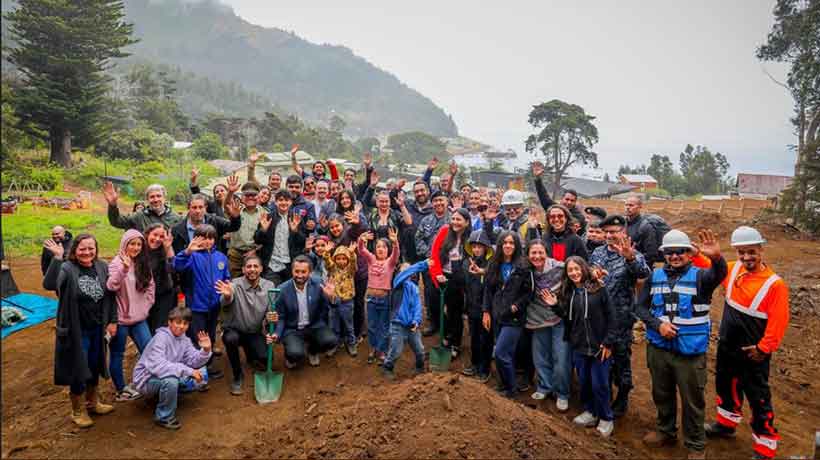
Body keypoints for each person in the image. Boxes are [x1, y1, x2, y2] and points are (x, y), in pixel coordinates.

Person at [636, 229, 727, 459]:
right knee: (662, 394)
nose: (674, 256)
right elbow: (639, 308)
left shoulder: (701, 277)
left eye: (680, 252)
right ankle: (666, 431)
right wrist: (658, 326)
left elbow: (719, 274)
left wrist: (716, 258)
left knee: (692, 401)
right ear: (664, 254)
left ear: (688, 253)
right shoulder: (654, 277)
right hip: (659, 349)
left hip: (690, 353)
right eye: (669, 252)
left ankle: (696, 444)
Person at [703, 226, 789, 460]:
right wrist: (708, 256)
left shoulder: (774, 285)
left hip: (754, 353)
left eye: (751, 252)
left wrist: (764, 349)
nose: (746, 257)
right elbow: (708, 267)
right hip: (728, 346)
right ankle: (726, 423)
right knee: (725, 384)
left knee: (758, 396)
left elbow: (778, 321)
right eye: (741, 252)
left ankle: (765, 446)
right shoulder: (733, 270)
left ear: (761, 249)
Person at [43, 234, 117, 428]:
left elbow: (110, 296)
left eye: (91, 248)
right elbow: (49, 284)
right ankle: (78, 410)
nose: (87, 252)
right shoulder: (68, 268)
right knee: (78, 367)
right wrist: (58, 258)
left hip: (97, 328)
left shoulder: (102, 266)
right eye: (82, 248)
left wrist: (113, 320)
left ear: (96, 249)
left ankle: (93, 403)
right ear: (75, 250)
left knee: (94, 364)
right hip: (76, 330)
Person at [544, 256, 617, 437]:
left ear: (584, 269)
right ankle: (590, 412)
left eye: (577, 269)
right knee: (585, 382)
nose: (574, 273)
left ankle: (606, 417)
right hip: (579, 346)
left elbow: (612, 317)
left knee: (600, 384)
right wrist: (554, 306)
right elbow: (568, 317)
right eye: (570, 271)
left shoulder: (599, 289)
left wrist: (608, 342)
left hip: (600, 346)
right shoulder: (568, 292)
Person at [588, 214, 651, 418]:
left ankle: (622, 397)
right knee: (601, 359)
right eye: (606, 232)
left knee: (621, 361)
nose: (609, 235)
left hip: (622, 319)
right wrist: (592, 275)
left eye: (614, 232)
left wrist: (630, 258)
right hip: (599, 319)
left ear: (623, 232)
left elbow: (643, 274)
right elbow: (588, 277)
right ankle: (604, 398)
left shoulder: (632, 253)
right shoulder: (597, 252)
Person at [131, 306, 212, 430]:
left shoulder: (184, 339)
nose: (181, 326)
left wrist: (205, 350)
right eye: (178, 322)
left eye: (185, 323)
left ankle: (164, 396)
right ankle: (163, 417)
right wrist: (189, 371)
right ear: (169, 322)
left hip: (164, 374)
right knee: (171, 381)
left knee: (202, 373)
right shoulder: (161, 338)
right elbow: (159, 366)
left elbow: (192, 360)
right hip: (146, 380)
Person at [173, 224, 231, 379]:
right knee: (198, 336)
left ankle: (208, 364)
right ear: (196, 239)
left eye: (210, 238)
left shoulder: (221, 257)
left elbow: (226, 277)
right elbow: (177, 265)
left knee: (211, 335)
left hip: (214, 306)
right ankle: (197, 369)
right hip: (197, 306)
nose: (207, 241)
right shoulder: (192, 256)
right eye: (203, 238)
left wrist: (227, 286)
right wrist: (187, 252)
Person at [215, 256, 277, 396]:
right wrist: (227, 296)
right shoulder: (234, 285)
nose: (252, 269)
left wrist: (270, 318)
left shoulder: (269, 286)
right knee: (231, 339)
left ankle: (251, 355)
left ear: (261, 269)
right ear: (243, 269)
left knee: (266, 357)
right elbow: (226, 299)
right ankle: (238, 376)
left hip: (254, 331)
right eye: (248, 266)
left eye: (256, 266)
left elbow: (270, 312)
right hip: (234, 330)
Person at [106, 229, 156, 402]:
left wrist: (146, 306)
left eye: (138, 244)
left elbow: (151, 287)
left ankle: (146, 382)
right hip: (120, 319)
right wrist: (124, 269)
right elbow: (111, 286)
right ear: (124, 244)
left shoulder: (143, 263)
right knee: (117, 354)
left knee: (149, 349)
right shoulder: (115, 263)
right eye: (132, 244)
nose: (135, 248)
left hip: (139, 318)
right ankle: (121, 389)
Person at [482, 231, 530, 398]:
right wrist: (486, 311)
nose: (508, 245)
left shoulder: (523, 266)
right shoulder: (493, 265)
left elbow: (528, 293)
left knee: (501, 353)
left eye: (511, 243)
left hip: (514, 318)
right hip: (497, 315)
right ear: (500, 245)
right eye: (505, 243)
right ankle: (504, 385)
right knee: (504, 354)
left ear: (516, 246)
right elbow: (488, 290)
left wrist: (516, 306)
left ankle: (511, 390)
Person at [525, 239, 571, 412]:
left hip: (559, 318)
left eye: (540, 252)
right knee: (540, 356)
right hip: (537, 319)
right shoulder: (526, 271)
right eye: (533, 253)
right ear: (528, 255)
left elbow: (578, 274)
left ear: (546, 252)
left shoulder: (560, 268)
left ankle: (562, 393)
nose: (537, 256)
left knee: (561, 357)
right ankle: (544, 386)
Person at [270, 256, 338, 368]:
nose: (300, 275)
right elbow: (281, 316)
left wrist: (331, 297)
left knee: (330, 341)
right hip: (292, 329)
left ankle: (313, 350)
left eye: (303, 272)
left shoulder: (318, 283)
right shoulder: (282, 289)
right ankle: (291, 357)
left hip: (314, 325)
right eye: (296, 271)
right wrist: (277, 333)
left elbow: (333, 305)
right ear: (292, 271)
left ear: (310, 272)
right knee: (295, 353)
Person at [429, 208, 472, 357]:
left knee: (455, 312)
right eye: (453, 218)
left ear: (466, 222)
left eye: (459, 219)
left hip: (459, 279)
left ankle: (455, 343)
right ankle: (448, 333)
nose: (455, 222)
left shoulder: (470, 237)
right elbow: (434, 253)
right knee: (435, 307)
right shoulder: (445, 231)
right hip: (442, 275)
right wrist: (438, 274)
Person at [358, 228, 400, 364]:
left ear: (387, 250)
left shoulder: (390, 263)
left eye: (383, 247)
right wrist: (361, 240)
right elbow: (362, 250)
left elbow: (396, 254)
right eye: (378, 246)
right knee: (371, 325)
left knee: (383, 326)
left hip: (384, 299)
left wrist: (395, 243)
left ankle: (382, 350)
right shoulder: (371, 260)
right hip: (370, 299)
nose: (381, 249)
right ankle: (373, 348)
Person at [382, 261, 428, 379]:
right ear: (400, 271)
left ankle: (420, 367)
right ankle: (388, 367)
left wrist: (416, 321)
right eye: (405, 268)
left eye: (409, 268)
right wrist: (423, 264)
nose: (408, 270)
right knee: (396, 350)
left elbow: (417, 306)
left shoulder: (414, 288)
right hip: (398, 325)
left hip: (412, 326)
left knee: (420, 350)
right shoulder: (397, 283)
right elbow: (406, 272)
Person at [415, 191, 450, 336]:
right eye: (435, 201)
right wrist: (430, 253)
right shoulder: (426, 220)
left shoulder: (453, 220)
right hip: (431, 265)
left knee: (449, 298)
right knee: (431, 296)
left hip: (448, 266)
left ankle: (449, 328)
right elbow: (418, 239)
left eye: (441, 200)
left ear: (447, 201)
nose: (438, 203)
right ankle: (435, 323)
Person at [254, 190, 307, 286]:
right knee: (272, 293)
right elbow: (257, 240)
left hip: (291, 265)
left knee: (289, 293)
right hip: (271, 264)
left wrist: (295, 231)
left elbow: (302, 242)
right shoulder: (268, 217)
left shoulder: (296, 218)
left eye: (287, 200)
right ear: (276, 202)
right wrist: (263, 230)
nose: (283, 203)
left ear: (291, 202)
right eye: (281, 200)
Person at [461, 230, 493, 382]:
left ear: (486, 248)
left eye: (480, 247)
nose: (476, 250)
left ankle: (485, 369)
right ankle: (474, 364)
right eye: (474, 247)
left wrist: (483, 272)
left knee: (485, 339)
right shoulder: (466, 263)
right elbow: (464, 288)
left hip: (486, 309)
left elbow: (493, 283)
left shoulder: (491, 264)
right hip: (472, 307)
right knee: (473, 337)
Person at [171, 193, 241, 259]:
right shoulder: (177, 229)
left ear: (206, 207)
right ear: (188, 208)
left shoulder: (214, 221)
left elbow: (233, 227)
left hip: (211, 265)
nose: (198, 211)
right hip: (189, 267)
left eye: (201, 207)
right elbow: (177, 254)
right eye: (194, 207)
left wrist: (235, 217)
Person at [322, 240, 359, 358]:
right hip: (334, 301)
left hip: (347, 302)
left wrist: (352, 253)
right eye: (338, 258)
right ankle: (334, 344)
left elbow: (353, 263)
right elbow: (327, 262)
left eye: (344, 258)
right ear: (335, 259)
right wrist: (327, 252)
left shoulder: (350, 270)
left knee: (349, 325)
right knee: (334, 325)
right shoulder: (332, 269)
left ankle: (351, 343)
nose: (341, 261)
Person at [531, 162, 587, 235]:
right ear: (562, 199)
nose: (569, 202)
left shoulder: (579, 217)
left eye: (572, 200)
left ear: (575, 202)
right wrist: (538, 179)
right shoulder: (554, 208)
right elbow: (543, 196)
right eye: (567, 199)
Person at [104, 182, 182, 232]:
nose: (155, 200)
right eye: (152, 197)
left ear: (164, 198)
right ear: (147, 200)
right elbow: (117, 221)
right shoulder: (139, 216)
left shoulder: (176, 218)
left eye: (159, 196)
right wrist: (112, 205)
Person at [226, 181, 267, 277]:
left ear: (258, 196)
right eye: (247, 195)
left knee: (253, 283)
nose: (250, 197)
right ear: (242, 197)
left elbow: (268, 237)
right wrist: (230, 192)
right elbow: (226, 204)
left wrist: (255, 250)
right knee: (234, 284)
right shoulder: (236, 209)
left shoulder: (265, 213)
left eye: (253, 195)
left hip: (255, 254)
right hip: (235, 254)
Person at [144, 223, 177, 335]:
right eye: (155, 235)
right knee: (146, 328)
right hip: (144, 296)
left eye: (161, 236)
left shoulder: (166, 250)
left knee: (159, 328)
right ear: (148, 234)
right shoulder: (140, 249)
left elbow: (173, 270)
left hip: (163, 295)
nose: (157, 239)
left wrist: (168, 249)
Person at [625, 196, 661, 265]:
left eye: (631, 205)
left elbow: (651, 254)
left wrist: (634, 260)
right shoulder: (623, 224)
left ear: (640, 207)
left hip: (640, 268)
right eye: (626, 205)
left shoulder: (646, 226)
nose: (627, 207)